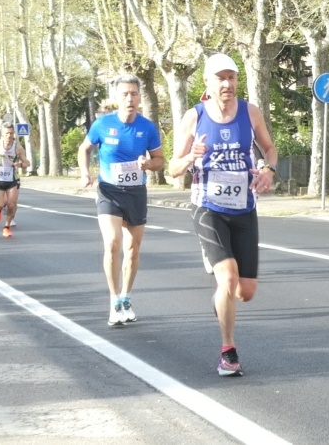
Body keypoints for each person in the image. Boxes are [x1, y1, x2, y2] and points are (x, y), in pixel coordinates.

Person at [169, 53, 277, 376]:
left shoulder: (250, 112)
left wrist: (268, 170)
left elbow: (270, 149)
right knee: (228, 278)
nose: (227, 83)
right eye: (220, 78)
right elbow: (173, 168)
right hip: (208, 207)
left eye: (232, 77)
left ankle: (222, 297)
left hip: (244, 207)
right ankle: (228, 353)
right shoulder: (195, 116)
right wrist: (191, 157)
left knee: (245, 291)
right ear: (207, 82)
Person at [78, 74, 163, 326]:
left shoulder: (147, 127)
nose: (130, 99)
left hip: (136, 192)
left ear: (139, 97)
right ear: (117, 97)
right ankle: (114, 301)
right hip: (109, 191)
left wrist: (148, 164)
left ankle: (126, 297)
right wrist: (85, 172)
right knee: (113, 242)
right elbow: (84, 149)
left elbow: (160, 160)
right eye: (125, 94)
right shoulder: (102, 124)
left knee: (133, 249)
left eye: (134, 94)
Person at [0, 122, 29, 238]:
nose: (9, 136)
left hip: (12, 179)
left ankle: (6, 227)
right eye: (7, 133)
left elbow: (27, 163)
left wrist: (20, 164)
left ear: (14, 134)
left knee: (12, 204)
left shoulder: (18, 147)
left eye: (11, 133)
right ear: (2, 134)